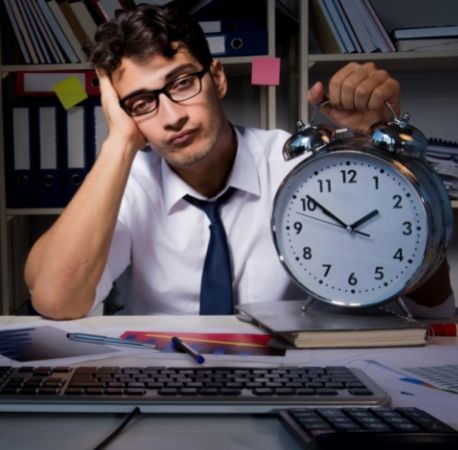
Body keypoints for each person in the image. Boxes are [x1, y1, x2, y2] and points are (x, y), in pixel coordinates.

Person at [23, 5, 454, 319]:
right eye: (141, 102)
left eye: (183, 83)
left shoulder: (303, 171)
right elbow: (57, 301)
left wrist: (380, 159)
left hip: (297, 377)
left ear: (219, 78)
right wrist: (118, 142)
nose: (172, 117)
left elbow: (429, 306)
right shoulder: (131, 182)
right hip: (167, 388)